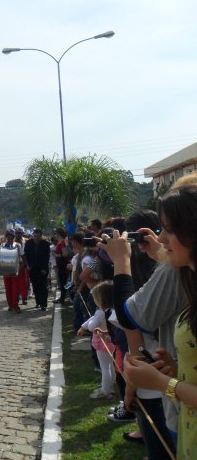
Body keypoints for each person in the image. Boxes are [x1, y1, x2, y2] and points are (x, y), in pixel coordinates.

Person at [103, 182, 197, 459]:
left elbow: (130, 315)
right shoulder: (181, 271)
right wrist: (176, 367)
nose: (162, 238)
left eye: (168, 229)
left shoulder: (174, 272)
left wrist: (162, 382)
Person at [78, 281, 115, 399]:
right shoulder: (110, 310)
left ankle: (105, 390)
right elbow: (92, 318)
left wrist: (87, 327)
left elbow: (92, 326)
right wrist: (83, 326)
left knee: (104, 367)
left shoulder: (100, 312)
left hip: (102, 343)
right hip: (110, 340)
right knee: (110, 365)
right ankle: (111, 382)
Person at [24, 228, 51, 311]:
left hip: (42, 268)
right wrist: (27, 265)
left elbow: (46, 257)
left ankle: (44, 304)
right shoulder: (28, 243)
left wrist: (44, 268)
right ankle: (38, 302)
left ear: (41, 236)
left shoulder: (46, 244)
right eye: (35, 236)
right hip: (32, 268)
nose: (36, 238)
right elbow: (26, 256)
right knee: (35, 286)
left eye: (38, 236)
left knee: (43, 286)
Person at [1, 230, 22, 313]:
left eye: (11, 236)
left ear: (13, 237)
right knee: (8, 288)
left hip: (15, 269)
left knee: (15, 288)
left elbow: (22, 255)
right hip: (6, 268)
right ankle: (10, 305)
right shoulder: (2, 245)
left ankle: (15, 305)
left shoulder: (17, 245)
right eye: (8, 236)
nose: (9, 237)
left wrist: (25, 264)